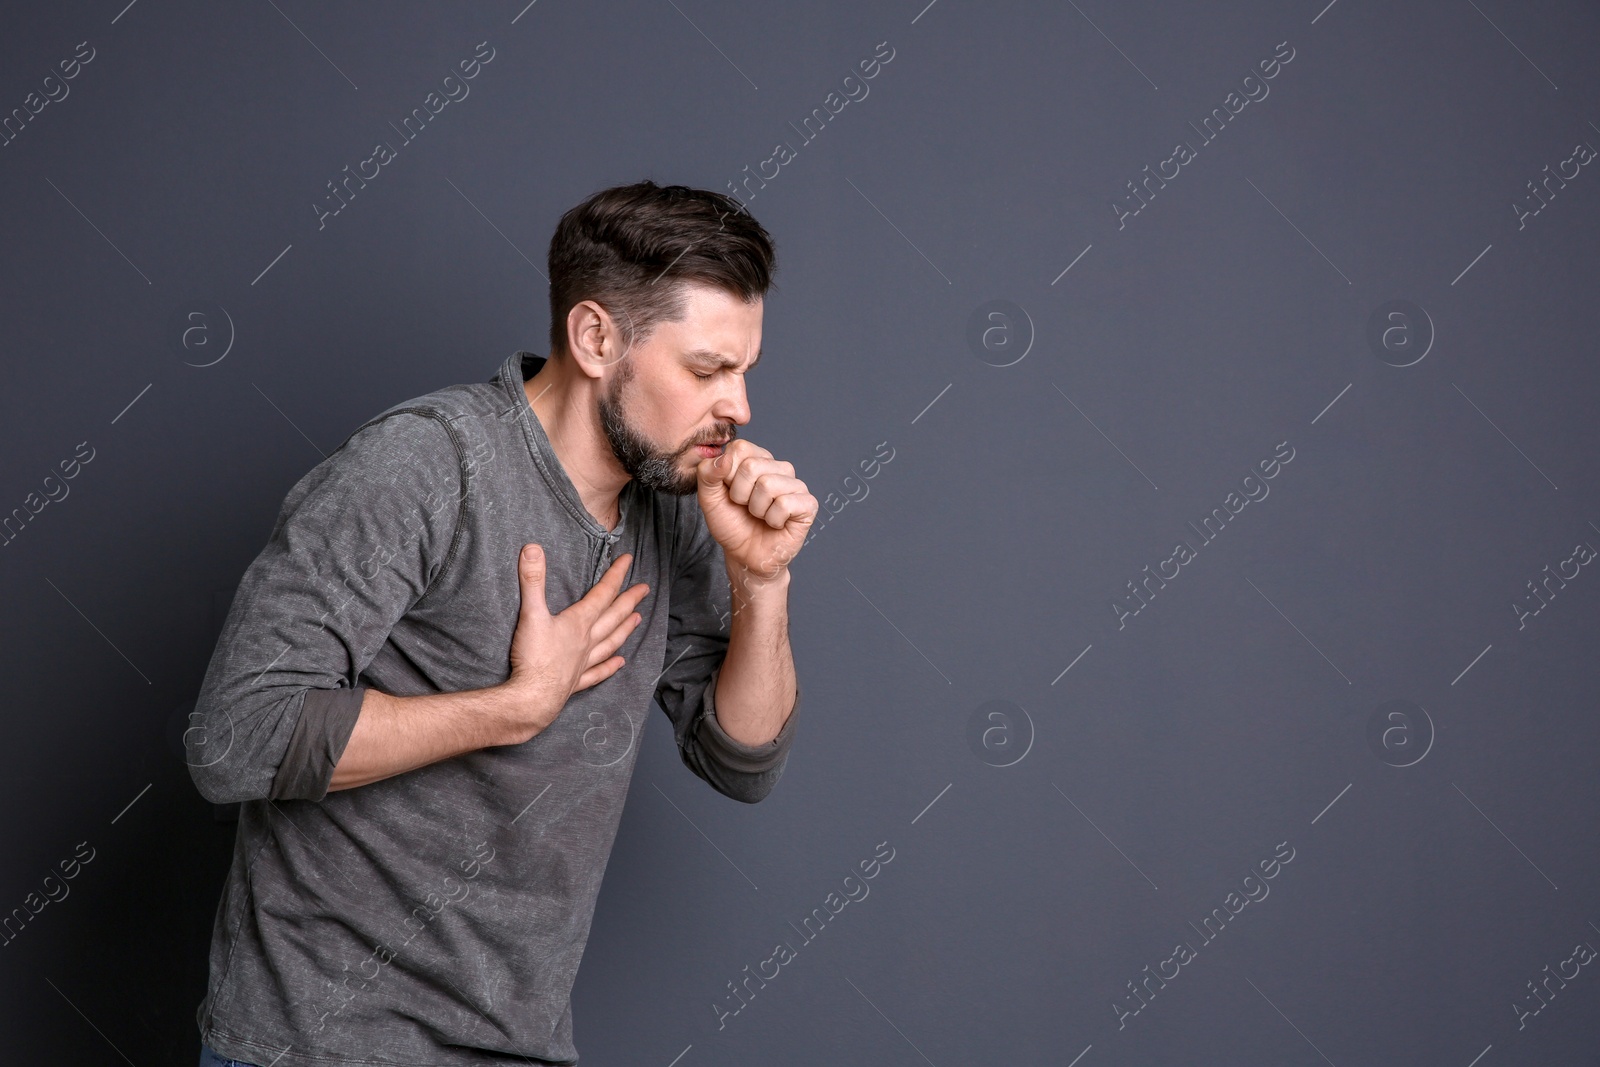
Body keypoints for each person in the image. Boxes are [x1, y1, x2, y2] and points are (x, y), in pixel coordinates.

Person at [185, 180, 813, 1066]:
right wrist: (513, 707)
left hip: (516, 1044)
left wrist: (764, 579)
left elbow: (740, 760)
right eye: (709, 370)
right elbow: (234, 737)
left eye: (745, 370)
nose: (739, 408)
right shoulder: (423, 466)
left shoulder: (674, 504)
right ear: (596, 339)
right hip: (320, 1043)